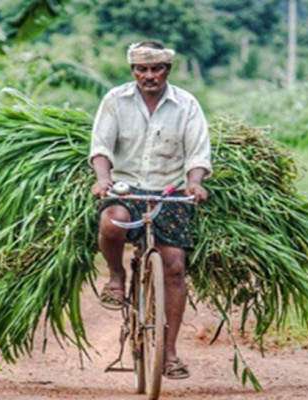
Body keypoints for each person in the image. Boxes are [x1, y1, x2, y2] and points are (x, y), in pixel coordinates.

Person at [88, 40, 212, 380]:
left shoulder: (186, 104)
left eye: (156, 69)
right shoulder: (115, 100)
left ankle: (169, 353)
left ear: (167, 70)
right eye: (142, 69)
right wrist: (103, 181)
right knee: (112, 223)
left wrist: (194, 182)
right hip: (126, 187)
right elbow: (101, 147)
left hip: (169, 191)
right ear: (133, 71)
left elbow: (198, 153)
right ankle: (116, 276)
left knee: (173, 266)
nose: (149, 76)